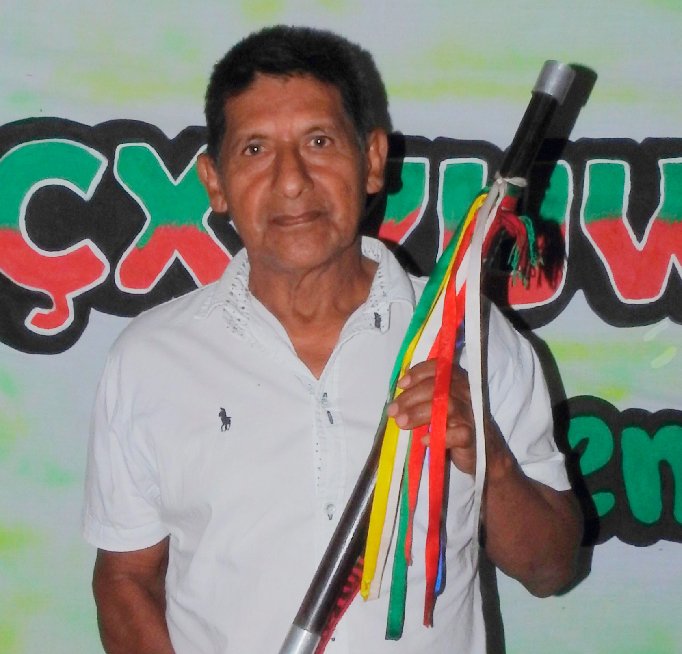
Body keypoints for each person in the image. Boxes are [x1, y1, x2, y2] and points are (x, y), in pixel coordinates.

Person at [83, 25, 582, 654]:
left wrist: (490, 458)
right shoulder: (150, 360)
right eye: (256, 149)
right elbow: (124, 579)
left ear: (371, 159)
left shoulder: (475, 341)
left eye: (319, 142)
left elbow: (550, 568)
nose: (292, 181)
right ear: (215, 181)